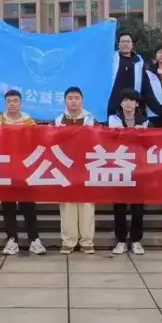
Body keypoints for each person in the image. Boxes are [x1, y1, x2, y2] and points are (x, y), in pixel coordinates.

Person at [0, 89, 47, 255]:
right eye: (9, 101)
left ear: (21, 103)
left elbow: (37, 143)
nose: (12, 104)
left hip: (25, 169)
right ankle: (12, 240)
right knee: (8, 206)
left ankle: (34, 239)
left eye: (15, 101)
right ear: (5, 103)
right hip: (5, 168)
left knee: (29, 206)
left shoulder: (29, 123)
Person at [54, 86, 96, 254]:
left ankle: (87, 241)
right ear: (65, 101)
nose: (73, 101)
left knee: (87, 205)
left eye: (77, 98)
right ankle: (69, 240)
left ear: (82, 101)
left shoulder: (91, 121)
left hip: (87, 168)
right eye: (70, 98)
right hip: (65, 168)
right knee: (67, 205)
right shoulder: (57, 121)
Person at [108, 87, 147, 254]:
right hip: (119, 166)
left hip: (139, 169)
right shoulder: (113, 119)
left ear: (136, 103)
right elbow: (111, 139)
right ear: (121, 103)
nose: (128, 103)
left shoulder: (145, 121)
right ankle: (121, 240)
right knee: (119, 206)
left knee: (138, 208)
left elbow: (150, 143)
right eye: (125, 100)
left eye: (131, 100)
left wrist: (142, 134)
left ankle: (136, 240)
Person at [108, 31, 145, 114]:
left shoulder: (139, 61)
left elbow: (145, 86)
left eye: (128, 42)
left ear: (132, 45)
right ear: (118, 45)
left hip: (132, 107)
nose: (125, 44)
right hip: (113, 105)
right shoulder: (112, 59)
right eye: (123, 42)